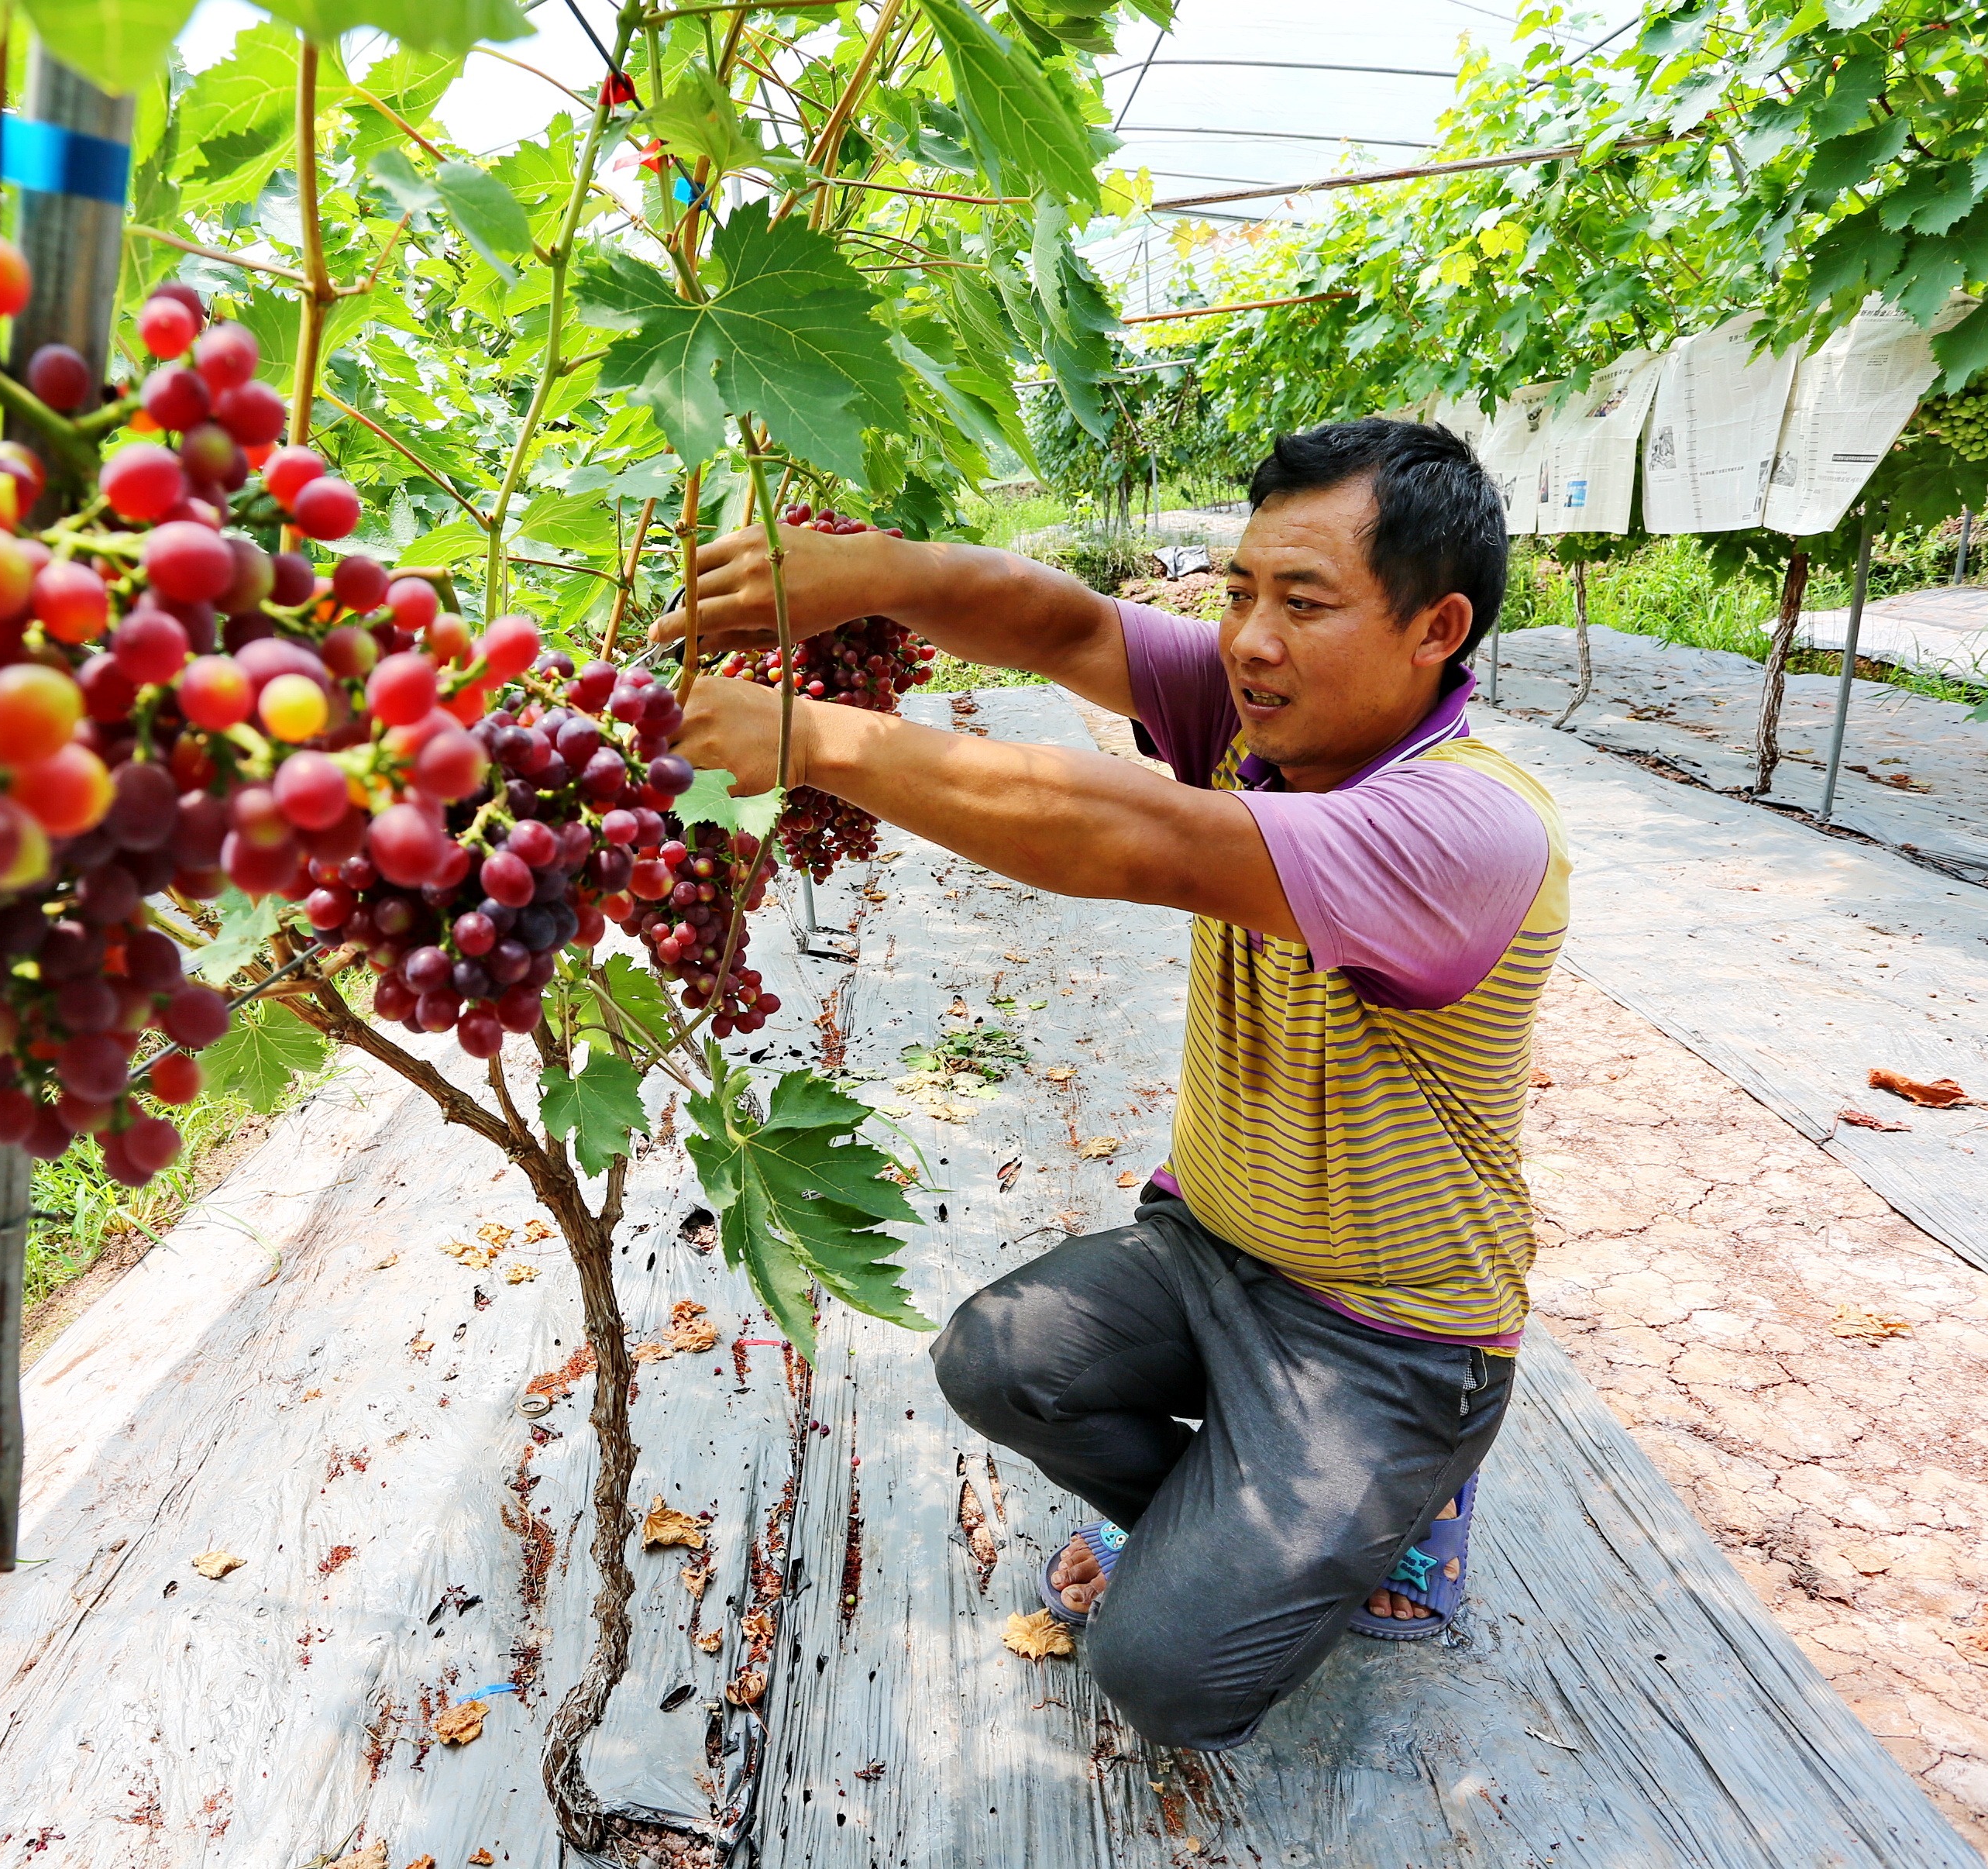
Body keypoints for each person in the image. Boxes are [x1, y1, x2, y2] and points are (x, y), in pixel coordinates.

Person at [656, 418, 1566, 1753]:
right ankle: (1238, 1522)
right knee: (997, 1361)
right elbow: (1061, 623)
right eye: (1241, 590)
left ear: (1436, 629)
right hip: (1210, 1242)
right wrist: (874, 573)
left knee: (1167, 1674)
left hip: (1394, 1331)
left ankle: (1396, 1503)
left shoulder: (1466, 826)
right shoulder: (1271, 705)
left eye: (1300, 603)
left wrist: (815, 740)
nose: (1248, 638)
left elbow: (1137, 837)